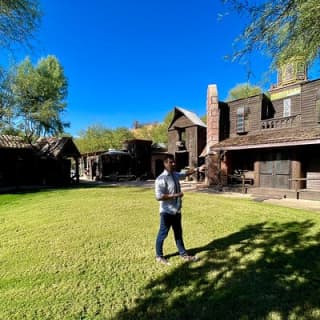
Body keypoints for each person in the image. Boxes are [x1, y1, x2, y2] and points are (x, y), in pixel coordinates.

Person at [154, 154, 205, 265]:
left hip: (177, 211)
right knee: (163, 234)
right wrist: (176, 195)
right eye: (171, 162)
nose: (173, 164)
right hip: (166, 212)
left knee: (178, 233)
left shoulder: (175, 175)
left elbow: (185, 173)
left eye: (174, 162)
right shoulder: (161, 179)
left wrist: (197, 169)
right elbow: (158, 196)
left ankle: (183, 254)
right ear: (165, 163)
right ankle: (159, 256)